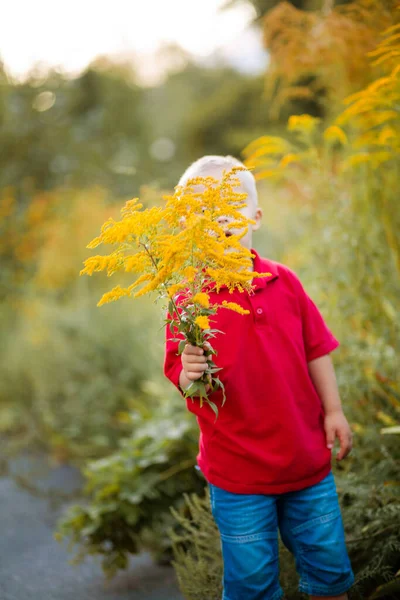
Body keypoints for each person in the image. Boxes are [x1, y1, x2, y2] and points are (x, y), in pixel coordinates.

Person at [164, 155, 355, 600]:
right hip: (238, 475)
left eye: (229, 203)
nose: (217, 219)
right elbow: (181, 371)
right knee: (252, 585)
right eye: (202, 211)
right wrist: (189, 368)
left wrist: (335, 410)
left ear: (256, 215)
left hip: (307, 464)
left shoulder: (285, 282)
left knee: (330, 575)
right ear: (187, 226)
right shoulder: (188, 301)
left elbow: (317, 350)